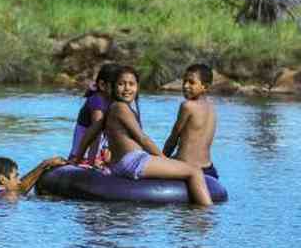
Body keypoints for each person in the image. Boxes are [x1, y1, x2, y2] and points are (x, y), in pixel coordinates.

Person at [95, 65, 214, 206]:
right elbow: (142, 138)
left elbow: (93, 130)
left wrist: (78, 156)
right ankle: (207, 217)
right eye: (121, 84)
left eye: (131, 84)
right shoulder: (121, 107)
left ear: (137, 87)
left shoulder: (119, 107)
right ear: (113, 87)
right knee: (195, 172)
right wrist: (163, 158)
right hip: (132, 162)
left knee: (191, 171)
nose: (127, 88)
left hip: (129, 161)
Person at [163, 63, 219, 179]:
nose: (185, 86)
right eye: (184, 81)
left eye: (191, 82)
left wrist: (162, 159)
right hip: (208, 169)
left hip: (186, 167)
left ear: (206, 87)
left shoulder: (187, 106)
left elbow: (173, 138)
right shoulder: (212, 108)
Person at [68, 63, 120, 166]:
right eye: (116, 85)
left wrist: (109, 153)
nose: (120, 89)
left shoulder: (112, 102)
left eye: (121, 84)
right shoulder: (97, 102)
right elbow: (95, 135)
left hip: (99, 155)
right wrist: (92, 163)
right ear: (102, 85)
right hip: (83, 158)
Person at [0, 156, 67, 201]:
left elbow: (20, 190)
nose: (19, 181)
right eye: (15, 177)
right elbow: (10, 196)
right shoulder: (2, 194)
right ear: (2, 179)